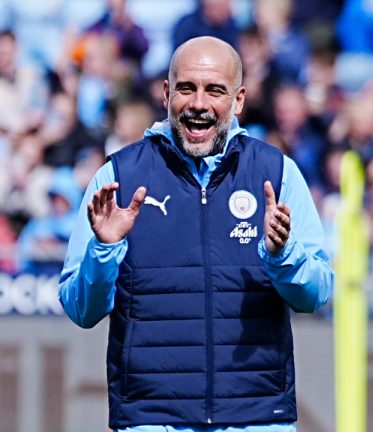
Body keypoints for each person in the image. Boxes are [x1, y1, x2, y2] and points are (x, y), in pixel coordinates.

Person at [58, 36, 334, 432]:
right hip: (150, 420)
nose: (199, 104)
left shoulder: (276, 173)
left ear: (238, 101)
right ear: (167, 93)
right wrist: (105, 248)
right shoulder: (119, 177)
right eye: (186, 88)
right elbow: (81, 310)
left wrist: (282, 254)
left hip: (255, 418)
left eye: (215, 90)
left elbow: (317, 294)